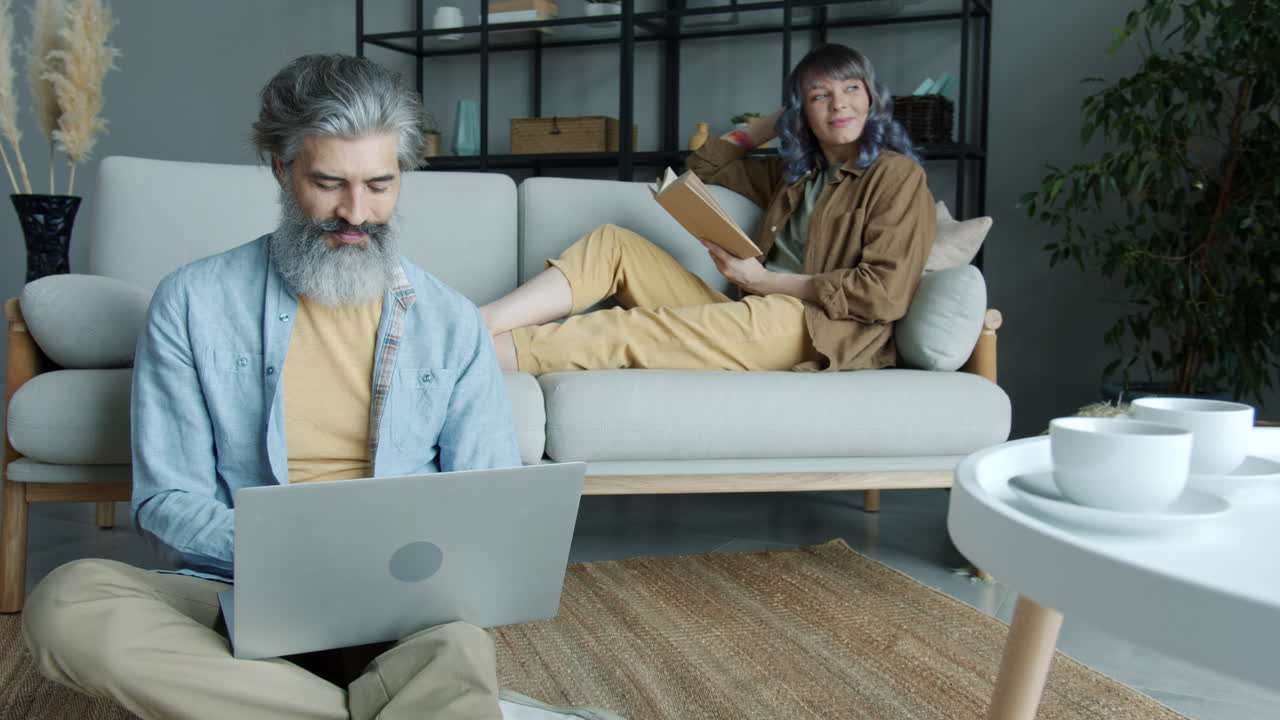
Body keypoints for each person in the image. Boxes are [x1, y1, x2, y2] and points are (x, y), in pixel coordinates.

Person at [21, 55, 618, 720]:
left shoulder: (450, 322)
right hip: (239, 587)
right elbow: (168, 499)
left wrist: (396, 573)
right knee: (67, 604)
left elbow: (486, 504)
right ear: (282, 168)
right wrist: (296, 560)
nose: (355, 213)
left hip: (403, 609)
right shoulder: (192, 302)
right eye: (329, 183)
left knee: (453, 641)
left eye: (380, 185)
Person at [481, 43, 936, 376]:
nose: (839, 104)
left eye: (851, 89)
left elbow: (885, 294)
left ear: (871, 98)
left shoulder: (896, 176)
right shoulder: (797, 174)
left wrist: (765, 280)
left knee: (634, 330)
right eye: (820, 95)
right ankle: (480, 325)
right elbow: (704, 166)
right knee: (613, 244)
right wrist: (778, 121)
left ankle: (472, 358)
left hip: (816, 328)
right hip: (753, 312)